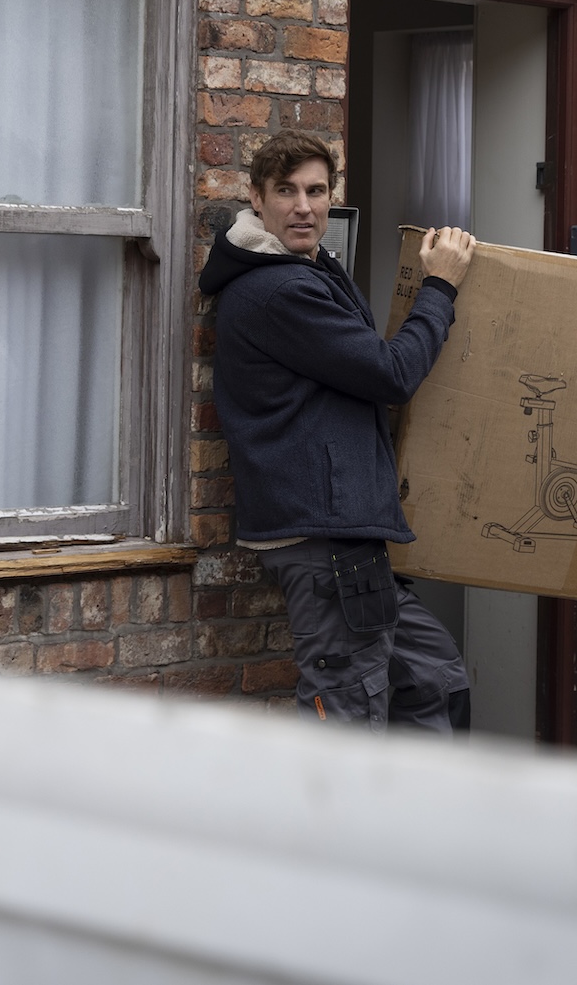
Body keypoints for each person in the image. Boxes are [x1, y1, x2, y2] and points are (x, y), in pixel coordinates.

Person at [198, 130, 477, 732]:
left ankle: (422, 820)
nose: (304, 206)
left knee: (434, 675)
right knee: (347, 707)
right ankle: (340, 824)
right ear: (257, 199)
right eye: (287, 191)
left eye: (317, 191)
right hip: (324, 537)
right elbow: (392, 373)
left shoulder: (307, 268)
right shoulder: (278, 290)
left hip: (348, 532)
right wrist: (441, 287)